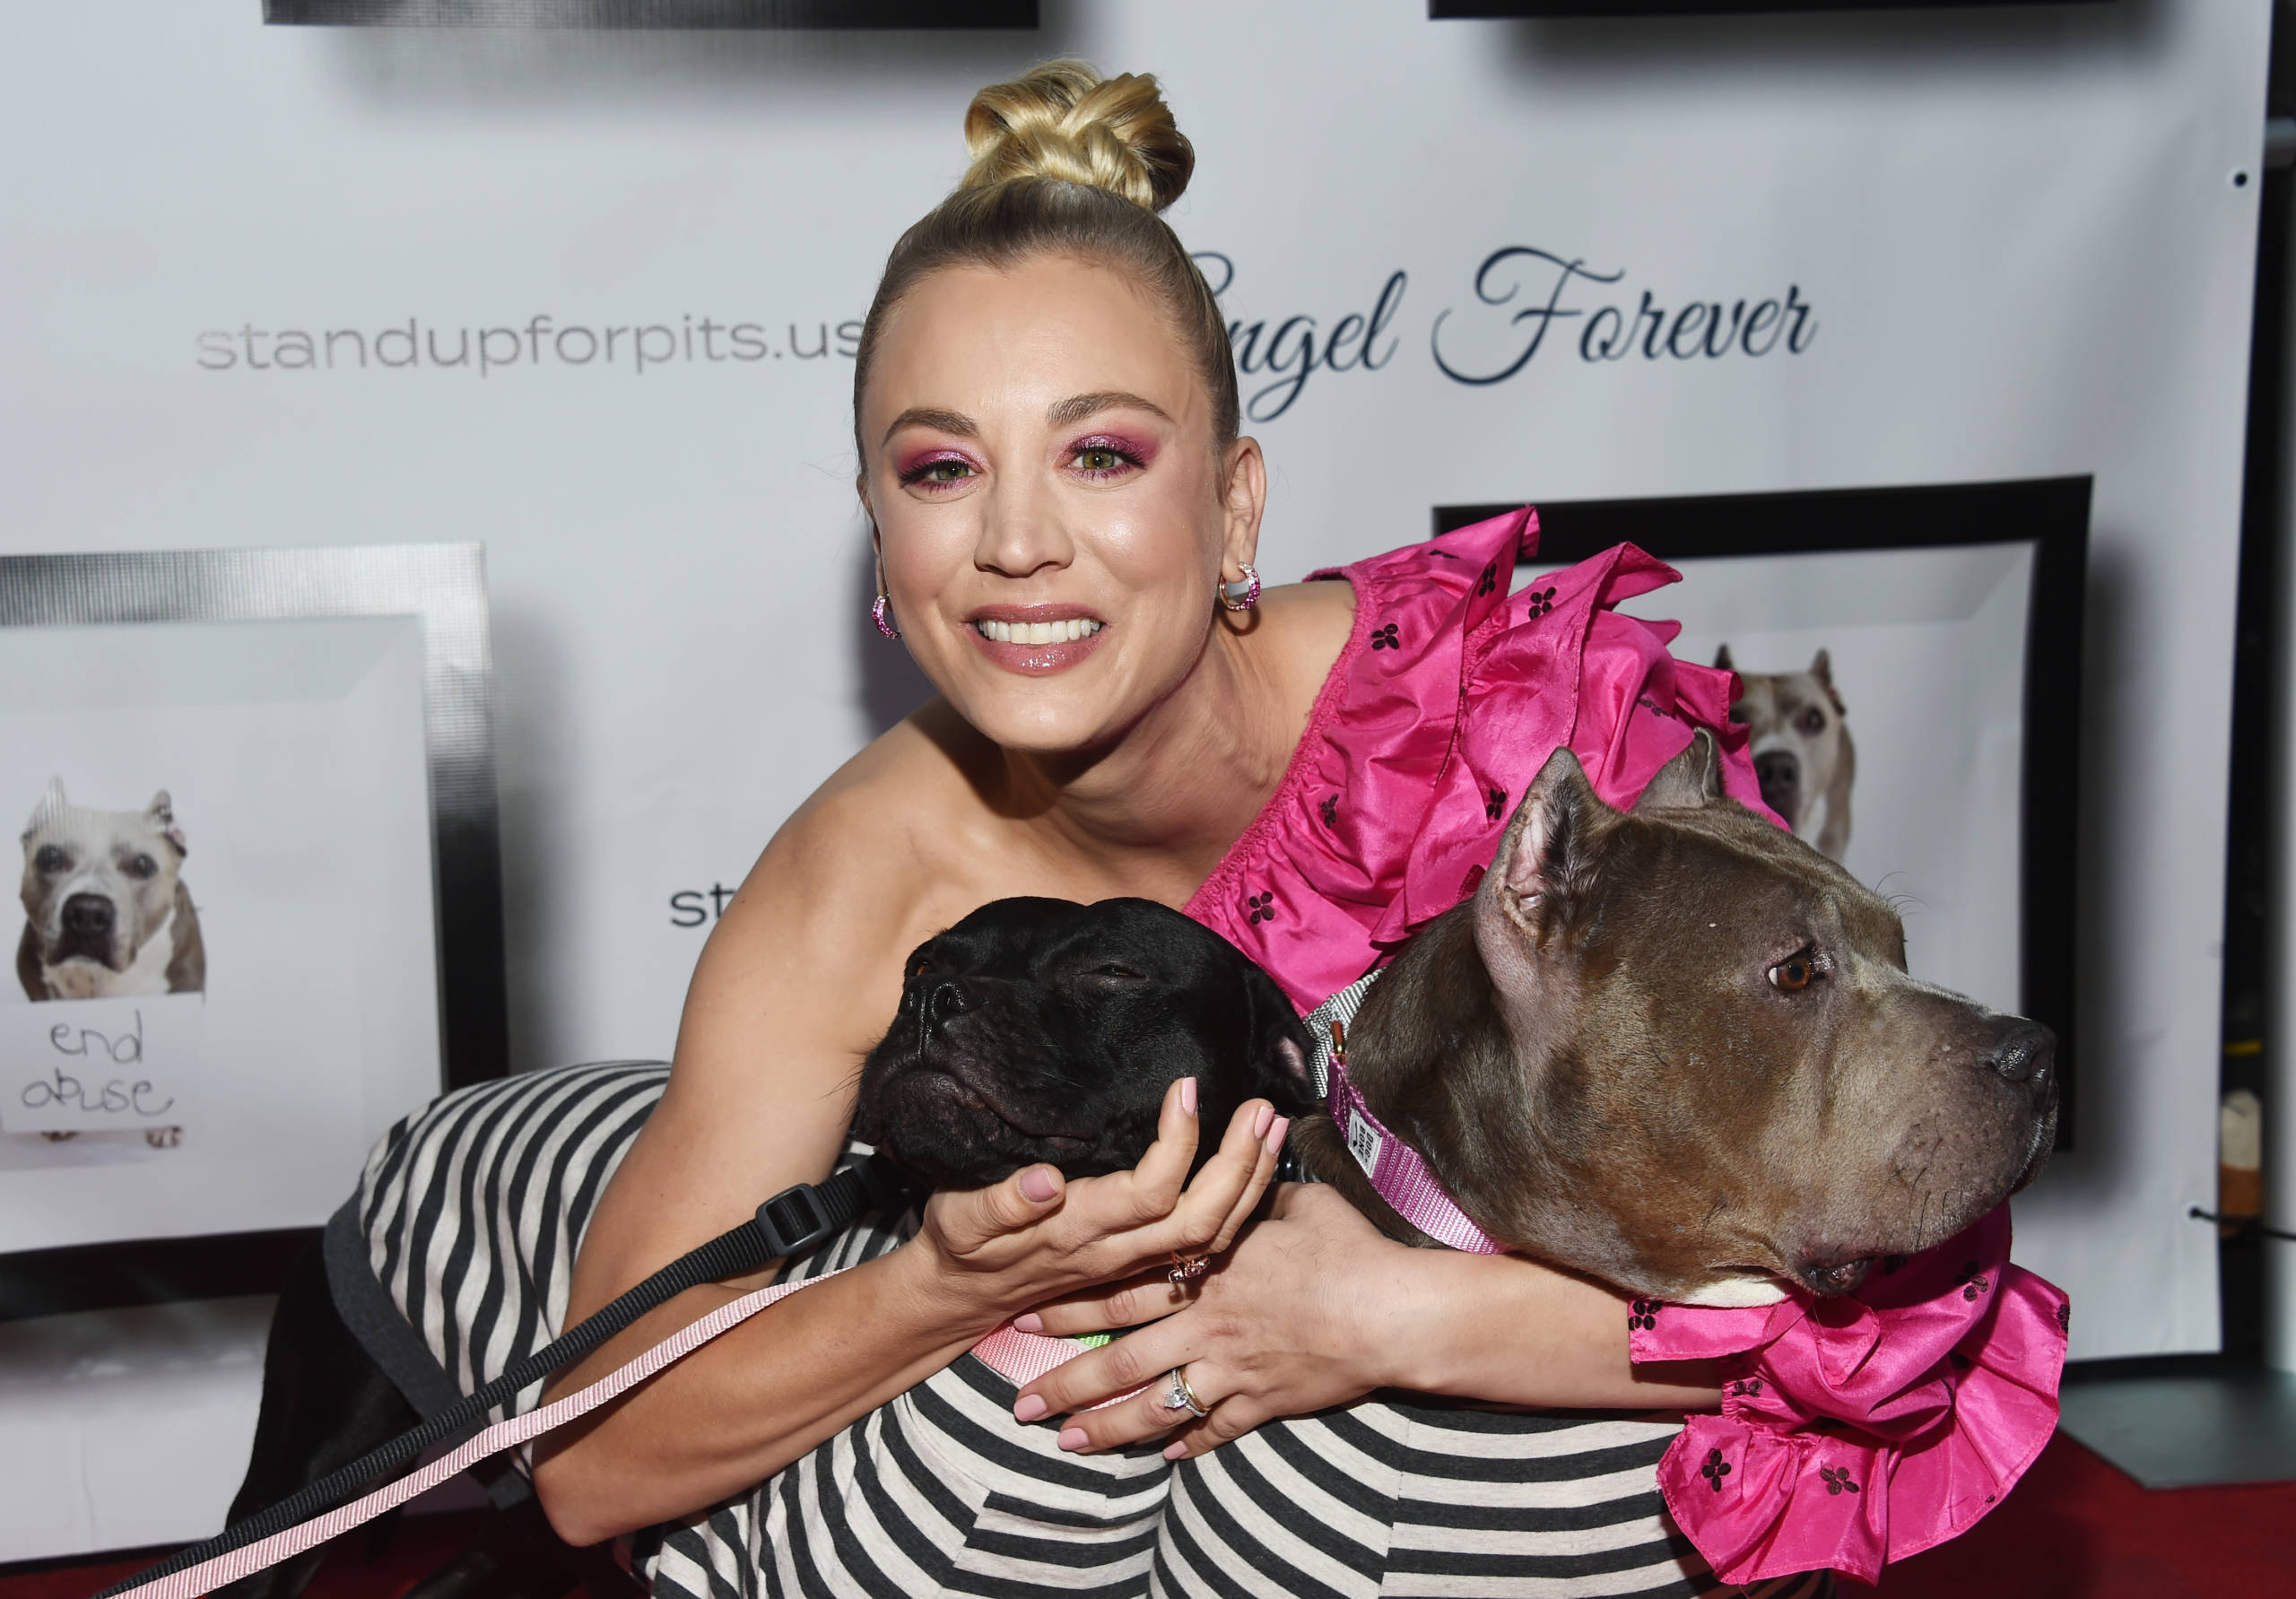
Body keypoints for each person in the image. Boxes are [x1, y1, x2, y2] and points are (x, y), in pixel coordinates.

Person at [353, 60, 1844, 1598]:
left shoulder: (1531, 744)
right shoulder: (860, 875)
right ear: (883, 535)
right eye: (942, 470)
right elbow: (600, 1465)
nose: (1014, 542)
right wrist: (941, 1288)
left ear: (1238, 508)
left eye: (1103, 455)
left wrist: (1378, 1317)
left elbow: (1883, 1303)